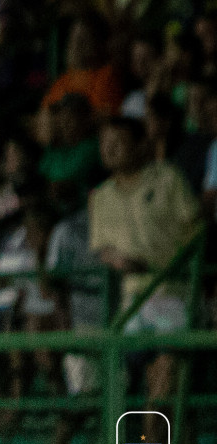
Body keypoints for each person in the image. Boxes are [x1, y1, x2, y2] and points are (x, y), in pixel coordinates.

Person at [90, 115, 200, 402]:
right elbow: (102, 248)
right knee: (152, 387)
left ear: (140, 146)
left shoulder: (168, 179)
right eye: (104, 143)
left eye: (118, 143)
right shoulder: (100, 197)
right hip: (131, 303)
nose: (109, 149)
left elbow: (196, 229)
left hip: (173, 294)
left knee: (165, 384)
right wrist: (119, 260)